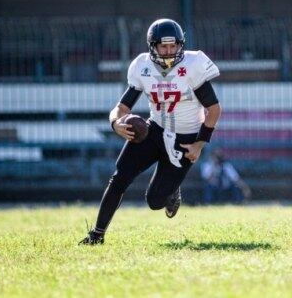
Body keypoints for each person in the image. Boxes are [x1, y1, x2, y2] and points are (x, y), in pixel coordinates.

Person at [79, 18, 222, 245]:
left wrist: (200, 144)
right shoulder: (142, 66)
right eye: (163, 46)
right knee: (119, 178)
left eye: (173, 46)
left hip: (184, 140)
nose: (168, 51)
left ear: (180, 45)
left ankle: (172, 191)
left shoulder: (192, 66)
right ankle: (97, 234)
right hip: (154, 130)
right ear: (152, 46)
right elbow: (122, 107)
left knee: (155, 201)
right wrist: (115, 123)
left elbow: (213, 109)